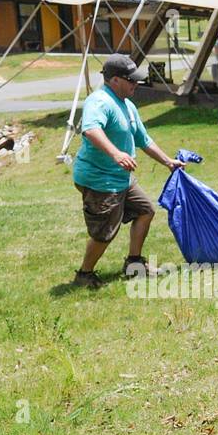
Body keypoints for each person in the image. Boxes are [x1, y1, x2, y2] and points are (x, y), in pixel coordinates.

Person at [71, 54, 184, 290]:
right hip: (99, 178)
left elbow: (143, 139)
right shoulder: (99, 101)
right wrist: (116, 154)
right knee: (105, 232)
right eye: (131, 80)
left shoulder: (127, 104)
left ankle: (134, 263)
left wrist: (167, 162)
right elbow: (91, 130)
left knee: (145, 210)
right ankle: (84, 274)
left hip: (121, 178)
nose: (136, 84)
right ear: (114, 80)